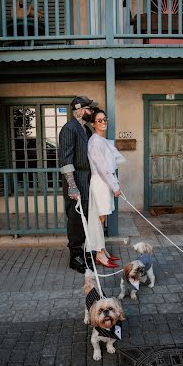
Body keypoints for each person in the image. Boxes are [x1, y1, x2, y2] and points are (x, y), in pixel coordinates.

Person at [59, 96, 97, 274]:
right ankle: (75, 257)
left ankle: (86, 252)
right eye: (90, 110)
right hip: (75, 180)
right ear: (80, 110)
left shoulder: (86, 130)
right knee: (75, 219)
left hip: (87, 179)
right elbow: (66, 159)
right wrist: (72, 185)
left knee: (87, 217)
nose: (92, 113)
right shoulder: (69, 129)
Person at [86, 108, 126, 267]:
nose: (103, 123)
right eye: (99, 120)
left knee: (103, 218)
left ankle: (102, 249)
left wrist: (114, 184)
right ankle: (99, 253)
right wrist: (115, 186)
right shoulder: (95, 141)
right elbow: (102, 168)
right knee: (99, 218)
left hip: (104, 182)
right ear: (93, 124)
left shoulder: (102, 140)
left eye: (104, 120)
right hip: (100, 182)